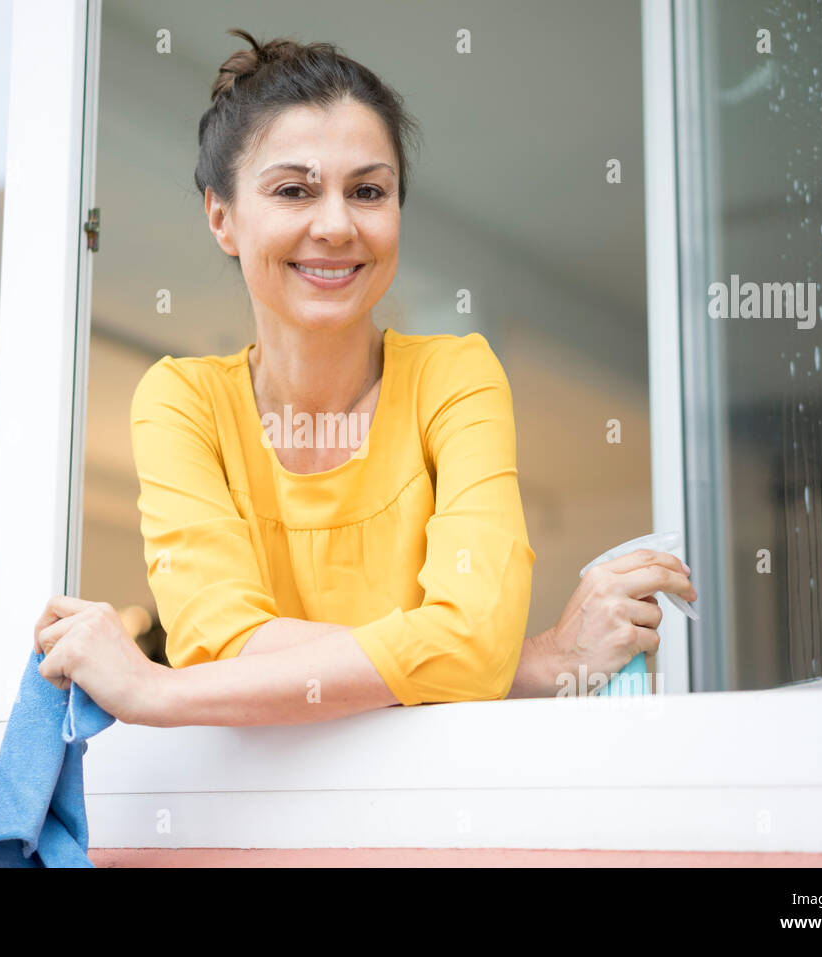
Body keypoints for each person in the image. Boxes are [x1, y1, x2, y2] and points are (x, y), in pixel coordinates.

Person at [34, 29, 695, 727]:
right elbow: (216, 647)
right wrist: (522, 663)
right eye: (294, 189)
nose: (336, 224)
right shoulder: (182, 403)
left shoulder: (456, 379)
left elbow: (468, 644)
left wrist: (158, 691)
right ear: (221, 217)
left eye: (368, 191)